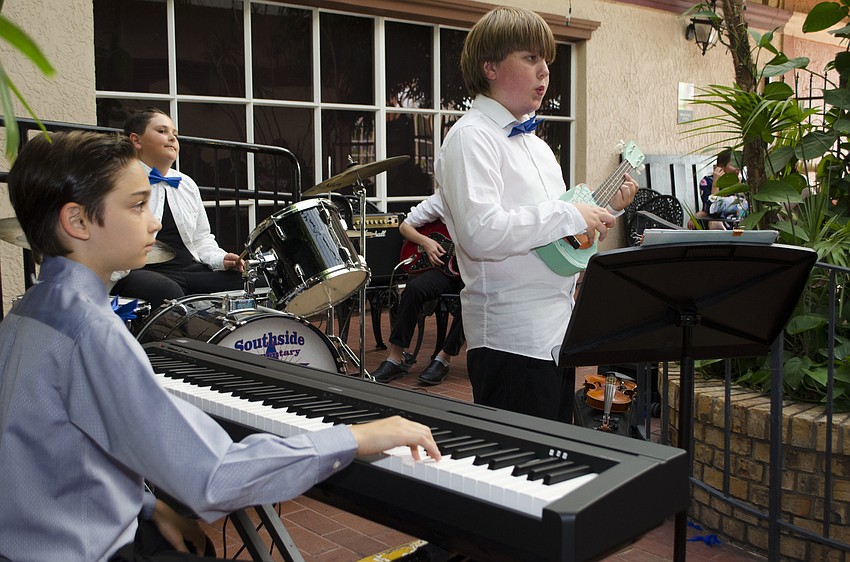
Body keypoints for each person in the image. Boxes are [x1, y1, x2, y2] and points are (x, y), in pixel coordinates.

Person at [0, 130, 440, 562]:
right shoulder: (91, 331)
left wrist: (151, 507)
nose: (154, 221)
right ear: (77, 221)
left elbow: (57, 461)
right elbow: (214, 475)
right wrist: (356, 436)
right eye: (138, 206)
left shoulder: (27, 313)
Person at [433, 7, 638, 421]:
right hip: (510, 343)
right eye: (530, 58)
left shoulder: (539, 147)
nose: (544, 72)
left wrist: (598, 212)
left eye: (547, 61)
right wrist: (569, 215)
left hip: (555, 336)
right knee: (517, 476)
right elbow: (480, 233)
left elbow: (556, 240)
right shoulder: (471, 138)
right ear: (489, 66)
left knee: (551, 473)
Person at [110, 108, 245, 309]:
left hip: (188, 269)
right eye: (162, 131)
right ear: (136, 141)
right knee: (166, 291)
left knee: (252, 281)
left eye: (175, 134)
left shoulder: (187, 184)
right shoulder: (119, 181)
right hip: (138, 271)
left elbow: (201, 238)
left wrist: (221, 258)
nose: (172, 138)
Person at [371, 192, 465, 386]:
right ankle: (395, 359)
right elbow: (405, 226)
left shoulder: (489, 200)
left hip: (475, 272)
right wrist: (427, 242)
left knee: (475, 298)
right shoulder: (443, 198)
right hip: (447, 269)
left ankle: (443, 359)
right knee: (414, 288)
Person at [690, 149, 741, 230]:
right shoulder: (706, 182)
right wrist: (716, 184)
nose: (738, 168)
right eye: (734, 165)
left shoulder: (741, 184)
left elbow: (742, 211)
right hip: (715, 222)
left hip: (737, 224)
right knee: (715, 224)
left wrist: (702, 213)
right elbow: (713, 212)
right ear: (721, 166)